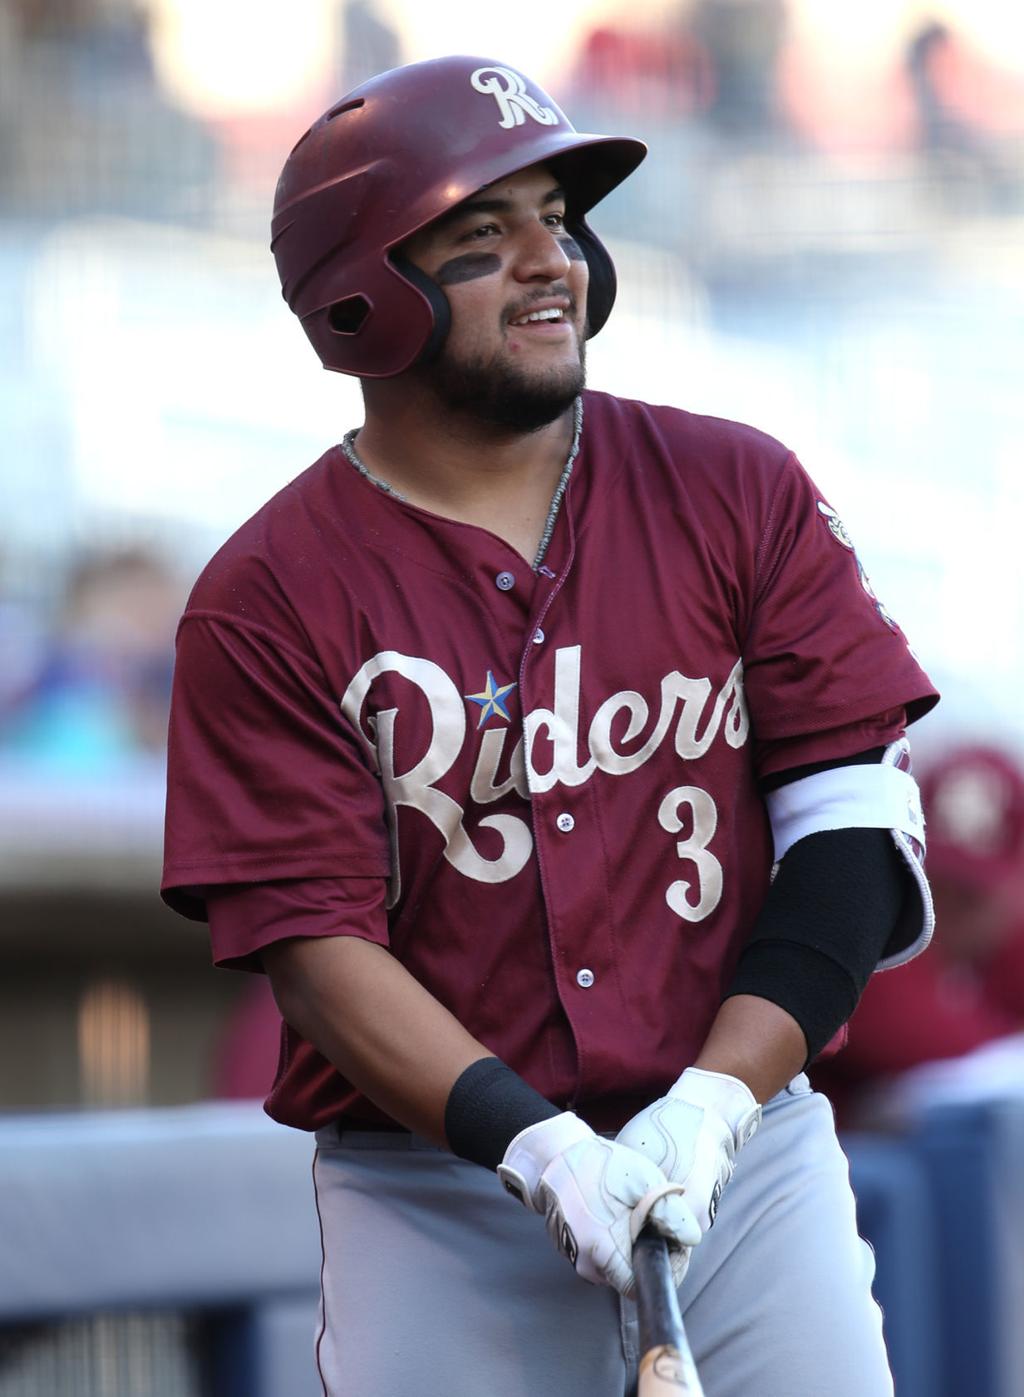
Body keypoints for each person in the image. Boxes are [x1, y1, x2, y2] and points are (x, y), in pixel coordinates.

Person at [162, 55, 939, 1397]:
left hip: (746, 1162)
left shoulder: (735, 488)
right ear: (362, 296)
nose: (552, 262)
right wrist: (538, 1147)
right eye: (483, 236)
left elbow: (852, 826)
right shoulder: (268, 595)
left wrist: (713, 1102)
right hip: (439, 1192)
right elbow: (316, 948)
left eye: (558, 222)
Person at [812, 743, 1024, 1125]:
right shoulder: (884, 926)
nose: (951, 904)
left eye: (973, 893)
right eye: (940, 881)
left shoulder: (1007, 942)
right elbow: (906, 1036)